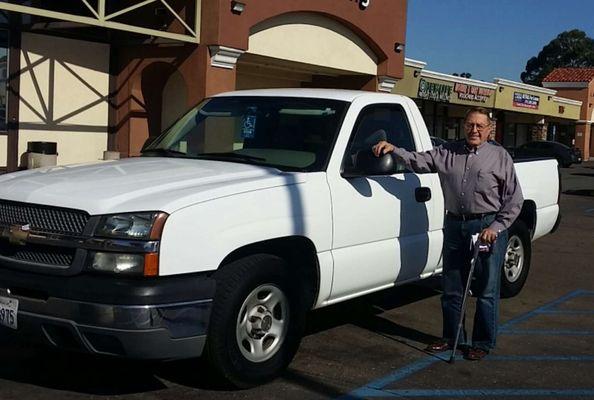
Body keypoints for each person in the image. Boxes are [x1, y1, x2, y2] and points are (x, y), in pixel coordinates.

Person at [372, 107, 523, 360]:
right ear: (464, 126)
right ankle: (451, 337)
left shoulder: (499, 156)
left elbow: (514, 200)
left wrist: (495, 228)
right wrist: (394, 149)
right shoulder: (448, 151)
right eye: (470, 125)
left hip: (486, 229)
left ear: (489, 129)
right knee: (452, 287)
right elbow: (420, 160)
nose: (474, 130)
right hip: (455, 225)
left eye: (479, 126)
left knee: (486, 290)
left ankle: (482, 343)